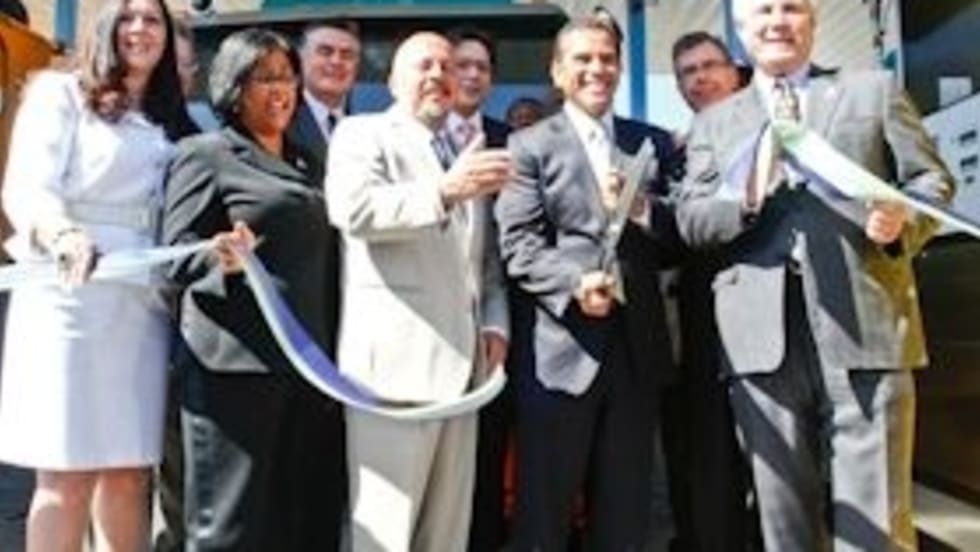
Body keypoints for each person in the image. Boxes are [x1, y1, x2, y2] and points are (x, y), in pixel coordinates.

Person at [675, 0, 955, 549]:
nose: (778, 21)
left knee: (877, 527)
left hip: (866, 332)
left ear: (812, 20)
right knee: (785, 528)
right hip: (760, 346)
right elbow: (692, 220)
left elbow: (932, 181)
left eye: (792, 7)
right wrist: (745, 198)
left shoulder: (872, 91)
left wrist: (903, 218)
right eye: (763, 11)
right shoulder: (714, 122)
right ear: (742, 29)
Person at [0, 0, 194, 550]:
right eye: (128, 17)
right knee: (67, 473)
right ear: (104, 27)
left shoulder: (170, 116)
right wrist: (60, 233)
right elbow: (27, 186)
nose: (140, 29)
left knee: (129, 471)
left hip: (141, 304)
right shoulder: (59, 94)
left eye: (152, 20)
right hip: (70, 295)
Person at [494, 16, 679, 550]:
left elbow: (679, 239)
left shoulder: (651, 143)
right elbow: (519, 245)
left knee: (625, 517)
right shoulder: (529, 145)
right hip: (560, 354)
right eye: (583, 58)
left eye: (607, 58)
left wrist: (646, 211)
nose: (597, 68)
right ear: (557, 71)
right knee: (544, 514)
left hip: (637, 355)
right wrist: (575, 283)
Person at [325, 31, 511, 552]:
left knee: (446, 537)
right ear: (391, 81)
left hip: (463, 376)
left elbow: (481, 262)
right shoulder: (363, 134)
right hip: (393, 379)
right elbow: (354, 210)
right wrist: (445, 190)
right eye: (423, 65)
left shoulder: (461, 150)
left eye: (447, 67)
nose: (438, 75)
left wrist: (496, 324)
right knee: (384, 535)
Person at [162, 28, 345, 551]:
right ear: (234, 86)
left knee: (299, 523)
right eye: (265, 78)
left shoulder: (309, 160)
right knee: (232, 528)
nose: (281, 89)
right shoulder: (205, 154)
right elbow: (172, 259)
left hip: (308, 371)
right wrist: (218, 256)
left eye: (287, 77)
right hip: (234, 373)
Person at [659, 30, 756, 552]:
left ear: (735, 72)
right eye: (687, 73)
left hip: (771, 320)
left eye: (709, 66)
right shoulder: (672, 152)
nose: (700, 79)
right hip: (700, 326)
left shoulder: (773, 128)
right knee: (705, 454)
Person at [445, 25, 513, 552]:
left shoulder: (514, 142)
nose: (471, 75)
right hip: (423, 333)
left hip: (491, 334)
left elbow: (495, 256)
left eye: (482, 67)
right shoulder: (410, 137)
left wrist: (498, 325)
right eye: (460, 65)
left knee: (487, 466)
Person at [288, 19, 361, 183]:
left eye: (347, 55)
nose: (336, 61)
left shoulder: (369, 123)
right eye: (325, 52)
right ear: (300, 59)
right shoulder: (281, 121)